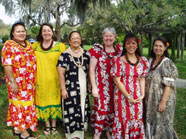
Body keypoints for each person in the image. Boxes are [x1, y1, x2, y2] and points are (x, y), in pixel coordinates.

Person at [1, 21, 37, 139]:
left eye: (23, 31)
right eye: (18, 31)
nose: (21, 33)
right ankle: (24, 134)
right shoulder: (9, 45)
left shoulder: (28, 45)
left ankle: (18, 128)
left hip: (29, 83)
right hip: (17, 83)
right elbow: (7, 64)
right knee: (19, 106)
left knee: (27, 104)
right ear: (13, 33)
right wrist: (12, 81)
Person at [110, 33, 148, 139]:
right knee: (123, 118)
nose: (131, 46)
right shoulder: (118, 61)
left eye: (133, 43)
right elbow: (117, 81)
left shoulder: (142, 61)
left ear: (137, 45)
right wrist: (128, 97)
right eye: (128, 43)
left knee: (136, 118)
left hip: (137, 97)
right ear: (124, 45)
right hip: (122, 97)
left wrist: (142, 95)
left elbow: (142, 78)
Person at [32, 23, 66, 135]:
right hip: (40, 79)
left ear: (52, 32)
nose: (46, 33)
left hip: (55, 80)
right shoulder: (35, 46)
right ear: (41, 33)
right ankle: (47, 125)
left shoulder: (60, 46)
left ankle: (54, 125)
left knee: (54, 100)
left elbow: (66, 62)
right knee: (42, 101)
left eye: (48, 30)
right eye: (44, 31)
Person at [89, 27, 122, 139]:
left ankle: (109, 131)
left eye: (110, 36)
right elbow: (92, 70)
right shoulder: (97, 50)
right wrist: (94, 87)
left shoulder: (119, 51)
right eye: (106, 36)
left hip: (116, 86)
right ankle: (97, 134)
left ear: (114, 37)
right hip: (101, 87)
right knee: (102, 109)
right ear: (103, 37)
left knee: (113, 109)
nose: (108, 38)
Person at [57, 31, 90, 139]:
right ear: (69, 41)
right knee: (70, 109)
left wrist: (90, 84)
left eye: (78, 38)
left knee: (81, 107)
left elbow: (89, 71)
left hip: (83, 86)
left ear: (81, 40)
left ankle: (80, 133)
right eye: (73, 38)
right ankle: (71, 134)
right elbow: (61, 73)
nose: (76, 40)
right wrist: (63, 89)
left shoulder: (86, 54)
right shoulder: (65, 54)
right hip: (70, 87)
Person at [145, 37, 178, 139]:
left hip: (163, 99)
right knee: (151, 120)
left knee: (162, 122)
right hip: (151, 99)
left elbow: (169, 85)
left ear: (164, 48)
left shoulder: (167, 63)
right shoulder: (150, 61)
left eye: (160, 46)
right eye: (156, 45)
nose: (158, 48)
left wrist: (163, 102)